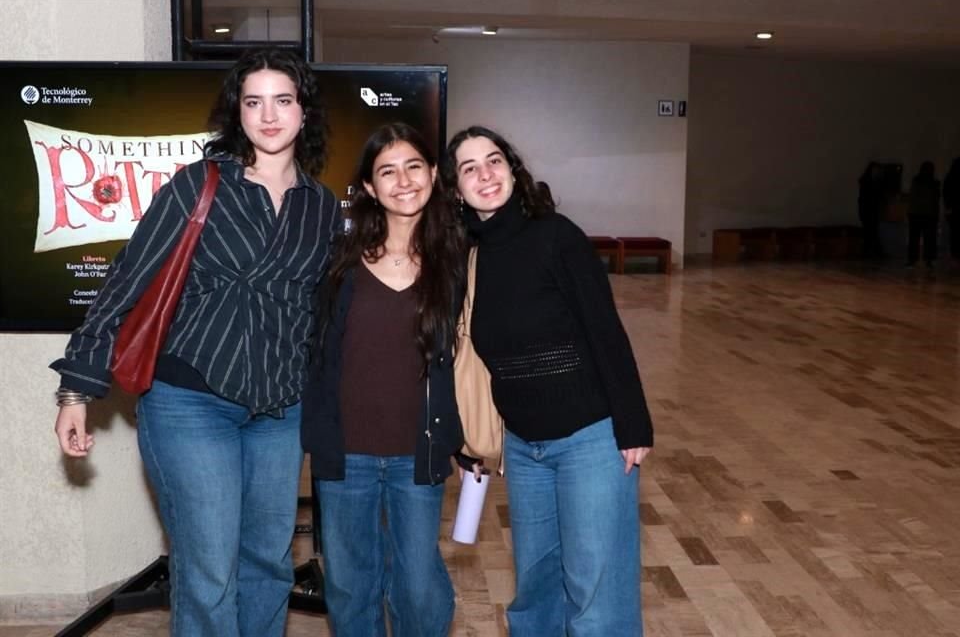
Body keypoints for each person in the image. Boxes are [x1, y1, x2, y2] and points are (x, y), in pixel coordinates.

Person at [50, 48, 339, 636]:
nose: (268, 115)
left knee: (269, 564)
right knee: (209, 570)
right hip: (190, 401)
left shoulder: (323, 208)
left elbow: (323, 314)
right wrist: (77, 391)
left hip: (279, 411)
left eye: (283, 100)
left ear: (304, 113)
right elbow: (125, 283)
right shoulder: (199, 185)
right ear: (238, 112)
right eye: (253, 101)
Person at [441, 126, 654, 636]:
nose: (485, 174)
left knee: (596, 595)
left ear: (512, 169)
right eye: (469, 168)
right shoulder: (468, 255)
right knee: (536, 592)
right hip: (523, 447)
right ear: (455, 188)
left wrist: (634, 425)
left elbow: (606, 331)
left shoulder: (557, 237)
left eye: (494, 161)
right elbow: (468, 357)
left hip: (590, 438)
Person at [301, 122, 466, 637]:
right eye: (387, 171)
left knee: (418, 584)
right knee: (351, 584)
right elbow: (314, 351)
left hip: (418, 450)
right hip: (344, 452)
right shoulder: (338, 261)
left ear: (434, 175)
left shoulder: (458, 260)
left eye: (414, 166)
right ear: (370, 188)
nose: (403, 181)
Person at [906, 161, 941, 269]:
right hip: (927, 215)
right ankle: (927, 260)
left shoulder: (917, 181)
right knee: (929, 239)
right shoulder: (934, 183)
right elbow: (935, 200)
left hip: (917, 214)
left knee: (915, 238)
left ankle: (913, 260)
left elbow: (913, 198)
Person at [858, 162, 884, 258]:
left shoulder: (870, 182)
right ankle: (870, 251)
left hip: (870, 210)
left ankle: (870, 251)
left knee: (871, 232)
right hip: (868, 210)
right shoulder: (868, 183)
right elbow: (865, 198)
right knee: (870, 232)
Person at [943, 157, 960, 262]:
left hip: (953, 210)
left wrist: (948, 207)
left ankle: (955, 255)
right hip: (955, 210)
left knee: (955, 234)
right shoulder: (951, 178)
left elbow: (946, 193)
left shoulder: (950, 178)